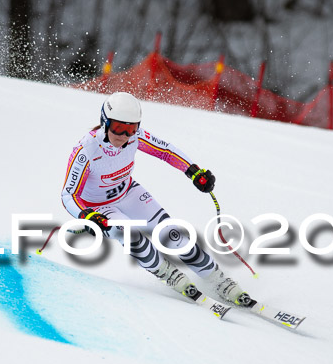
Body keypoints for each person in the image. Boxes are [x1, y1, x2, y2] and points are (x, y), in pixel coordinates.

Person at [60, 91, 255, 307]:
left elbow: (165, 151)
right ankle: (168, 273)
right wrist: (86, 214)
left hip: (129, 193)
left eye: (131, 128)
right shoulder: (86, 151)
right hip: (100, 208)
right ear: (104, 122)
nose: (124, 135)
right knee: (131, 235)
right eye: (118, 128)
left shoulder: (135, 137)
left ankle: (219, 281)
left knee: (173, 235)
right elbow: (69, 194)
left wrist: (193, 171)